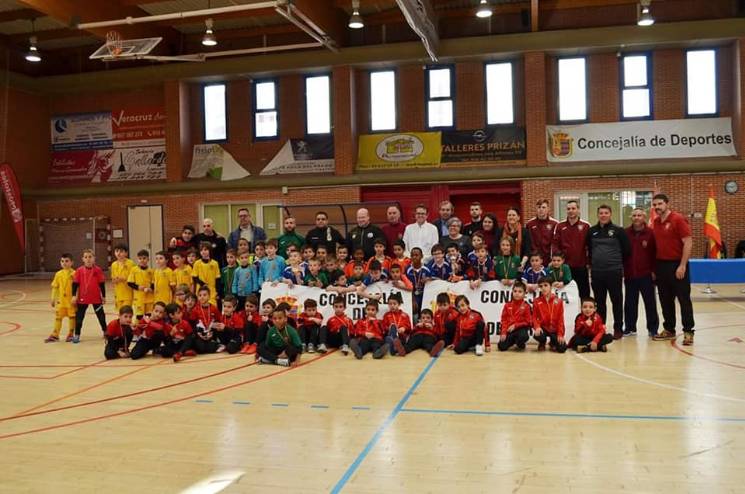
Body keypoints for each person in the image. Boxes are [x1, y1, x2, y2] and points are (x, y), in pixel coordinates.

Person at [651, 194, 695, 344]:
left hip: (677, 265)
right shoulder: (656, 222)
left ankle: (688, 331)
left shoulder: (678, 219)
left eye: (660, 204)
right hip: (661, 266)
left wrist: (682, 265)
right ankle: (669, 329)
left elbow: (688, 242)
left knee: (683, 299)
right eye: (655, 205)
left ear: (667, 204)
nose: (657, 207)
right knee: (665, 300)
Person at [586, 204, 630, 340]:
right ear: (597, 215)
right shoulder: (591, 231)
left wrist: (615, 263)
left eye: (606, 213)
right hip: (597, 272)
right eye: (601, 213)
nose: (603, 215)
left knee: (617, 301)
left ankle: (618, 328)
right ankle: (600, 328)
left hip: (614, 272)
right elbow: (589, 250)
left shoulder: (619, 231)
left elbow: (627, 251)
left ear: (610, 214)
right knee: (600, 302)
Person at [624, 208, 659, 337]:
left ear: (644, 217)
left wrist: (654, 271)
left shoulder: (651, 233)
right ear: (631, 217)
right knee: (630, 303)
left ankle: (653, 329)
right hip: (630, 274)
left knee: (650, 303)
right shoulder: (625, 233)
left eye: (639, 215)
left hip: (646, 275)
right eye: (634, 215)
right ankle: (630, 328)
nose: (636, 218)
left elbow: (655, 253)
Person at [552, 200, 591, 298]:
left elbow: (590, 246)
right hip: (565, 267)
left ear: (578, 210)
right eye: (568, 209)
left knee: (584, 294)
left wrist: (588, 262)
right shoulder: (560, 226)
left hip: (581, 266)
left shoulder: (586, 226)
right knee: (566, 294)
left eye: (573, 208)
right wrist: (558, 262)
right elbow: (555, 245)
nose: (571, 211)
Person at [71, 249, 107, 343]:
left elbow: (102, 284)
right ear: (83, 259)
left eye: (90, 257)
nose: (88, 259)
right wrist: (73, 296)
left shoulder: (98, 270)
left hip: (96, 298)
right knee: (79, 318)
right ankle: (77, 334)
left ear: (94, 258)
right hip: (82, 298)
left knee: (101, 317)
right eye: (86, 257)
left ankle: (105, 332)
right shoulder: (79, 270)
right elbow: (75, 284)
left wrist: (103, 296)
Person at [46, 253, 76, 343]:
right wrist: (53, 298)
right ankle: (55, 335)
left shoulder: (75, 274)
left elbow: (78, 287)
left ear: (72, 262)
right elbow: (55, 287)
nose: (64, 263)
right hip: (61, 301)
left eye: (67, 261)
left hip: (71, 301)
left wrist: (76, 297)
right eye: (62, 261)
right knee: (58, 317)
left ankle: (70, 334)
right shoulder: (58, 274)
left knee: (72, 317)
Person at [532, 277, 567, 353]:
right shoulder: (536, 301)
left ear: (551, 286)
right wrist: (537, 327)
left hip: (554, 330)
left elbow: (560, 320)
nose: (543, 288)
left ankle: (552, 342)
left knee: (562, 348)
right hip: (543, 328)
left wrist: (560, 334)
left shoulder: (559, 301)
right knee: (538, 335)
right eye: (541, 286)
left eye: (545, 285)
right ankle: (542, 342)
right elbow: (534, 317)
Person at [498, 281, 532, 352]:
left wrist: (516, 325)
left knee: (523, 336)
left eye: (520, 292)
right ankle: (514, 341)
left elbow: (528, 322)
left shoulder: (526, 306)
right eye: (515, 291)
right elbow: (504, 320)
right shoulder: (507, 305)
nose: (517, 293)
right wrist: (503, 333)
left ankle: (519, 343)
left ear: (524, 294)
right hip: (509, 330)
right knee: (501, 347)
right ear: (512, 292)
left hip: (520, 329)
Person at [526, 199, 559, 266]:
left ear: (548, 209)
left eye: (543, 207)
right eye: (539, 207)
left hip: (549, 261)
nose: (541, 209)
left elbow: (556, 244)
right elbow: (528, 243)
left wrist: (553, 259)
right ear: (536, 209)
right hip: (534, 262)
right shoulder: (530, 224)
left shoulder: (555, 224)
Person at [128, 250, 154, 321]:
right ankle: (139, 327)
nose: (142, 260)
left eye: (144, 258)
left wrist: (151, 288)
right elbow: (130, 283)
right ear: (137, 259)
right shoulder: (134, 270)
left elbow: (153, 283)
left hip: (149, 298)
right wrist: (138, 287)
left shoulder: (151, 271)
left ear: (148, 259)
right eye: (140, 258)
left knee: (148, 316)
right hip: (139, 298)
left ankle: (147, 327)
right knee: (139, 316)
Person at [192, 242, 222, 306]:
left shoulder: (215, 263)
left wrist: (218, 292)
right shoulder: (197, 263)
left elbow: (217, 279)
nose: (203, 252)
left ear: (210, 250)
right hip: (200, 290)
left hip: (212, 291)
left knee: (212, 307)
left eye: (205, 250)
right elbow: (194, 277)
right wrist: (202, 284)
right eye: (201, 250)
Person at [111, 244, 135, 312]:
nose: (118, 253)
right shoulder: (113, 265)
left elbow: (133, 278)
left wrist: (123, 279)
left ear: (126, 253)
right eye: (116, 251)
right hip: (118, 294)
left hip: (128, 293)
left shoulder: (130, 263)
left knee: (126, 312)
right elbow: (113, 279)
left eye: (121, 251)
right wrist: (115, 280)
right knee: (120, 313)